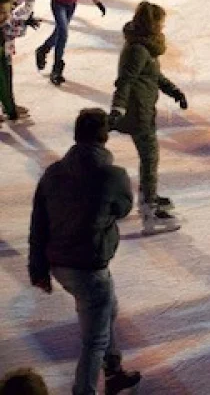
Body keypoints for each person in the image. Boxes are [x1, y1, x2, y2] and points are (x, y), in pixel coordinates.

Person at [27, 109, 142, 395]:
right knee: (95, 340)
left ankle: (113, 370)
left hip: (59, 264)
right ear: (104, 136)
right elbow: (124, 208)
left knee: (108, 307)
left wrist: (37, 269)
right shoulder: (112, 175)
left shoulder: (53, 172)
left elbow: (38, 222)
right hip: (88, 266)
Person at [108, 2, 186, 236]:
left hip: (144, 109)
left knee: (149, 157)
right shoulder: (138, 49)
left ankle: (148, 197)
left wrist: (174, 91)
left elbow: (155, 75)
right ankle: (149, 208)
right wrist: (118, 108)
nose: (163, 26)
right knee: (150, 157)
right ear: (151, 24)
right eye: (160, 22)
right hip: (137, 112)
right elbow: (125, 81)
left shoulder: (145, 47)